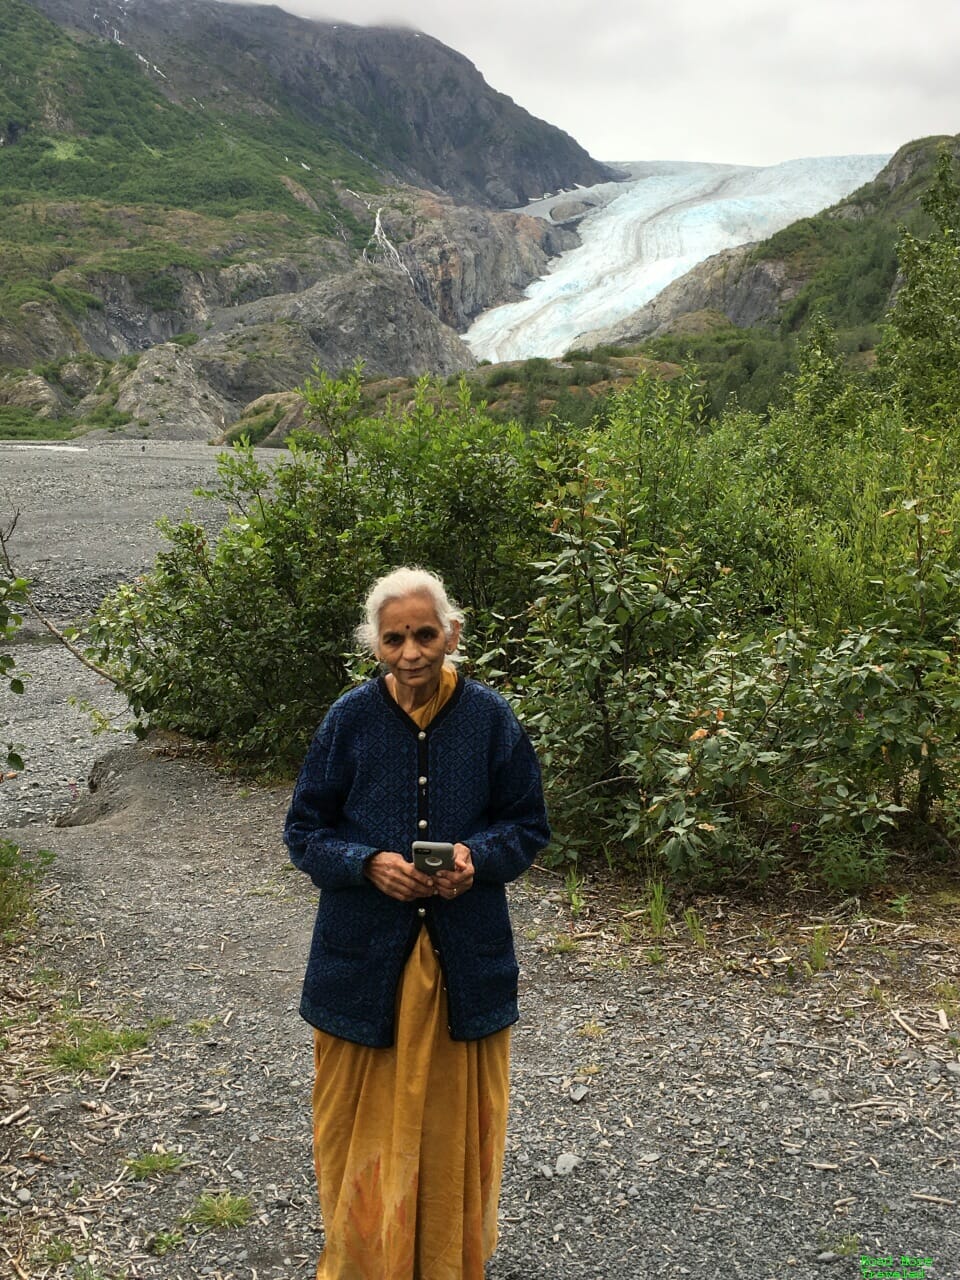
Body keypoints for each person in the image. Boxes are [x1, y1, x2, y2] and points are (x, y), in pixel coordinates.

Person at [284, 566, 550, 1280]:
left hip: (465, 964)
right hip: (361, 965)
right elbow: (304, 831)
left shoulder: (491, 718)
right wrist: (366, 861)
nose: (411, 653)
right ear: (375, 642)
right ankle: (367, 1262)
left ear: (452, 634)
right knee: (357, 1129)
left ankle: (446, 1264)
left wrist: (476, 857)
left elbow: (527, 825)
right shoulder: (349, 719)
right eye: (395, 638)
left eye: (425, 635)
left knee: (452, 1131)